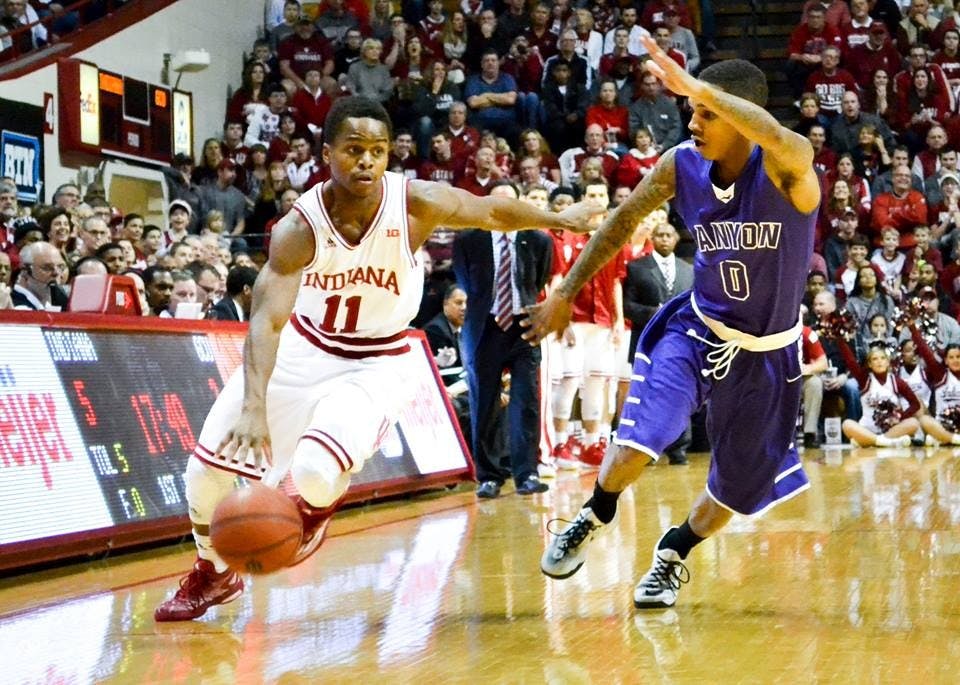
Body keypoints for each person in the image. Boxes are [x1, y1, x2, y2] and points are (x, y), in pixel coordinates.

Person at [154, 96, 600, 622]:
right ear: (328, 154)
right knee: (202, 475)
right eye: (354, 150)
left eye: (378, 151)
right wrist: (254, 404)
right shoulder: (298, 228)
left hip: (378, 360)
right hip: (304, 346)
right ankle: (213, 574)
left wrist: (559, 216)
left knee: (316, 472)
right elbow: (267, 321)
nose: (366, 161)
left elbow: (489, 210)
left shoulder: (413, 203)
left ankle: (309, 512)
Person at [522, 39, 821, 609]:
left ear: (741, 117)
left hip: (768, 352)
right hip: (698, 328)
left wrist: (703, 87)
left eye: (708, 112)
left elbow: (789, 141)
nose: (693, 118)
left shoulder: (788, 170)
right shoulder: (680, 164)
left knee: (735, 493)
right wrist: (566, 290)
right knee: (643, 438)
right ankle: (593, 513)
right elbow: (622, 221)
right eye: (694, 109)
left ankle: (673, 551)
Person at [453, 181, 553, 498]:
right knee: (484, 402)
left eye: (511, 202)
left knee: (526, 401)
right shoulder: (469, 239)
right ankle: (489, 476)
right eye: (498, 203)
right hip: (485, 327)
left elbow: (540, 280)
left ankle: (527, 474)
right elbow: (467, 282)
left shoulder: (537, 239)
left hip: (524, 327)